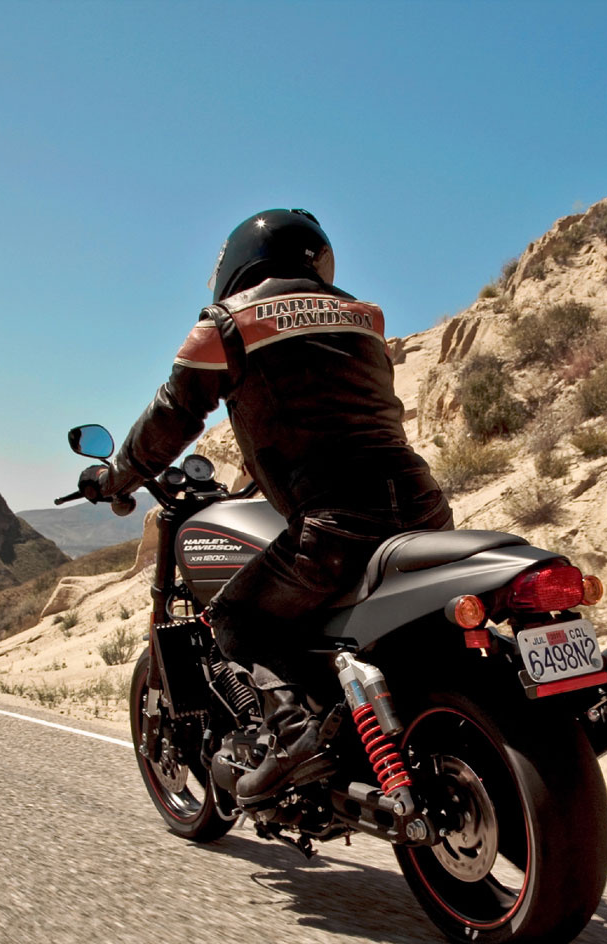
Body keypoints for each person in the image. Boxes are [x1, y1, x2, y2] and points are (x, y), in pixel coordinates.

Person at [80, 208, 452, 803]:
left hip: (338, 521)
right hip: (424, 507)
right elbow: (336, 413)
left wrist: (118, 476)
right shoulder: (364, 317)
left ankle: (290, 737)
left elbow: (171, 416)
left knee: (237, 618)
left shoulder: (227, 323)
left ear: (236, 265)